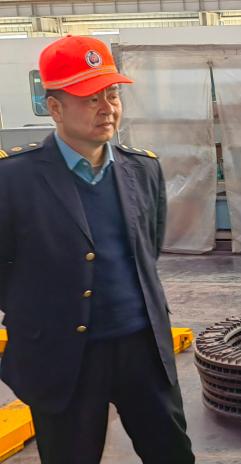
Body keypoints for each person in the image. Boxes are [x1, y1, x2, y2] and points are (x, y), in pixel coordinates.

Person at [0, 35, 194, 463]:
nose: (107, 108)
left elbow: (148, 249)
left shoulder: (142, 168)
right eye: (90, 98)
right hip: (63, 359)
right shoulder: (13, 180)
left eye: (112, 94)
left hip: (143, 351)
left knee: (173, 453)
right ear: (55, 108)